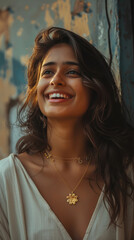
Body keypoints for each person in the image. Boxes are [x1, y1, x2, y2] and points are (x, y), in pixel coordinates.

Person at [0, 27, 134, 240]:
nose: (56, 80)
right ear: (36, 90)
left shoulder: (126, 175)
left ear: (95, 88)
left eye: (72, 72)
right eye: (48, 72)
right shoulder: (6, 179)